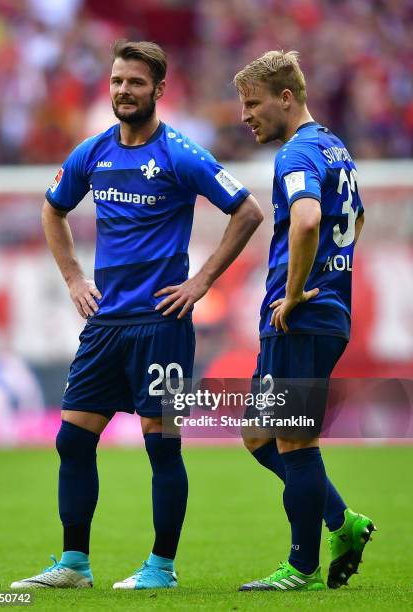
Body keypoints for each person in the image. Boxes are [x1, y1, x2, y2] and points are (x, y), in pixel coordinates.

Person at [10, 40, 263, 590]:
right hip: (105, 326)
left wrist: (201, 282)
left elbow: (247, 210)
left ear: (160, 91)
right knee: (73, 441)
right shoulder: (92, 153)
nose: (124, 91)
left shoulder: (182, 154)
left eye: (136, 83)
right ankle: (74, 564)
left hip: (162, 325)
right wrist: (75, 278)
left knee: (161, 445)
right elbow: (53, 209)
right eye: (118, 81)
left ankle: (162, 568)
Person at [233, 50, 375, 592]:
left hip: (300, 317)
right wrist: (332, 277)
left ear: (286, 98)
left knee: (294, 440)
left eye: (253, 103)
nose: (246, 115)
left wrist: (293, 294)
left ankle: (303, 568)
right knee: (257, 434)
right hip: (326, 311)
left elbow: (309, 218)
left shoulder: (296, 154)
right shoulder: (336, 147)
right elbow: (357, 218)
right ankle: (344, 522)